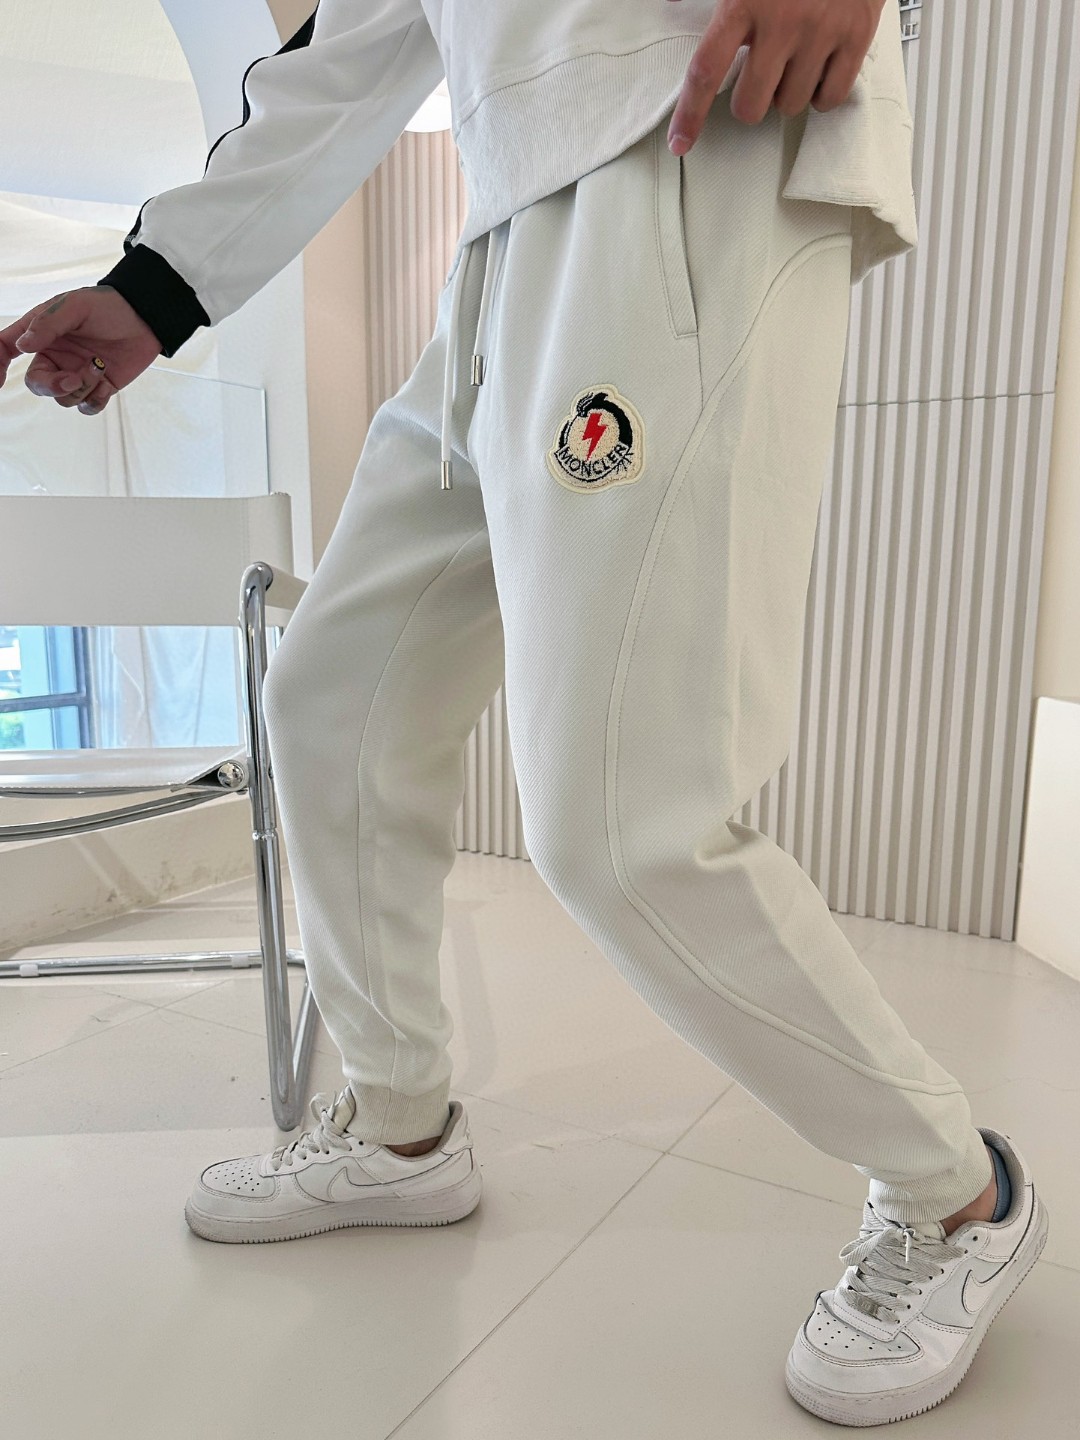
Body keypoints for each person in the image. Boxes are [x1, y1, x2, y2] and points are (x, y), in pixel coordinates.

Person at [0, 0, 1048, 1425]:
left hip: (696, 128)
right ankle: (402, 1131)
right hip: (504, 227)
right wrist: (152, 291)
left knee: (624, 821)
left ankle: (959, 1193)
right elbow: (345, 48)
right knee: (331, 696)